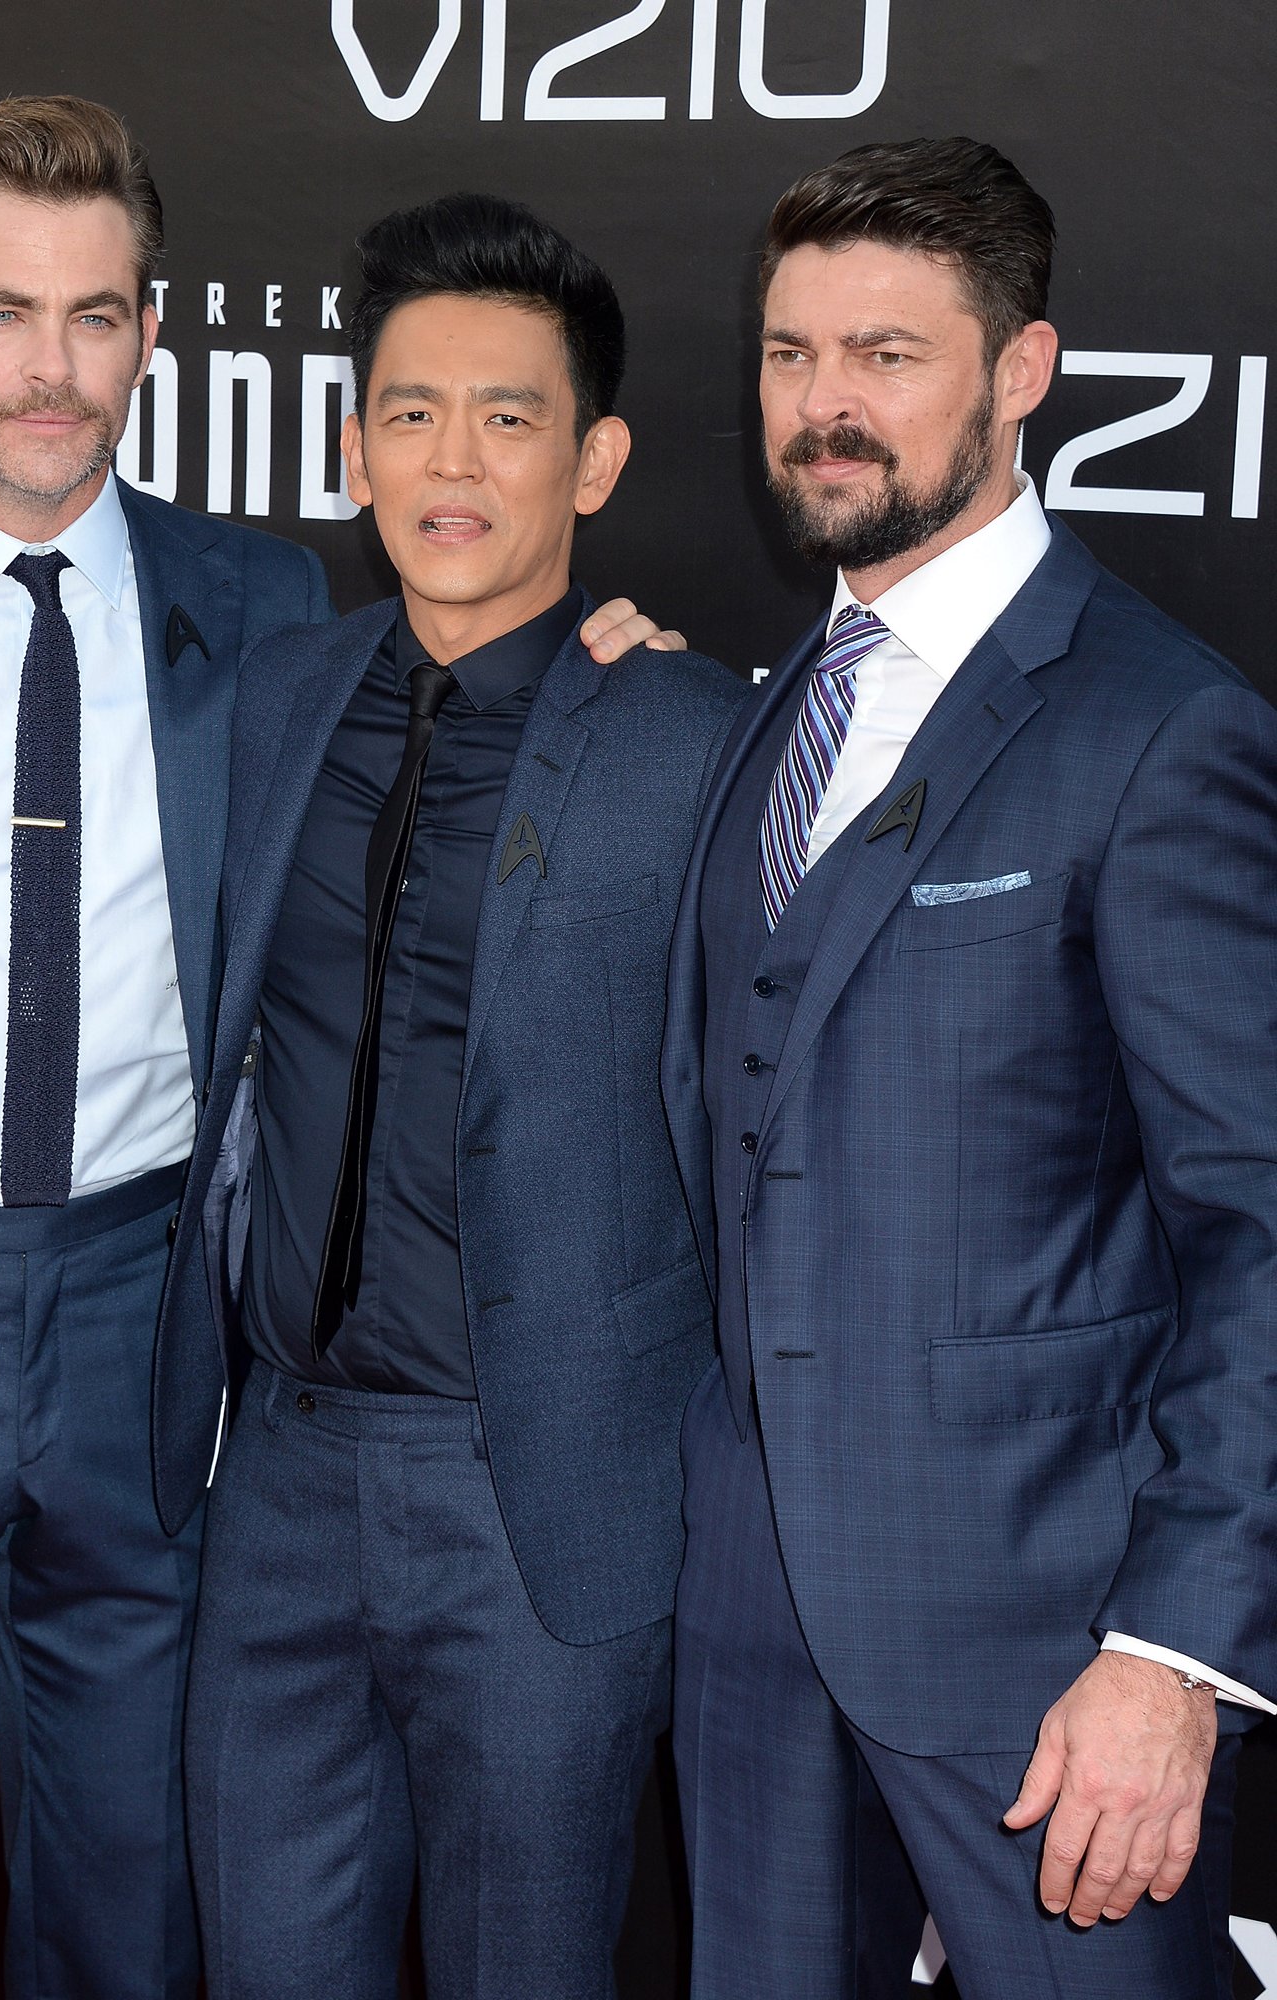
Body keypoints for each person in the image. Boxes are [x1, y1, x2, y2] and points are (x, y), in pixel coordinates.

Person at [0, 96, 667, 2000]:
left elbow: (472, 687)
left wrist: (608, 676)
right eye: (2, 312)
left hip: (144, 1346)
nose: (51, 369)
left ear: (152, 333)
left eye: (97, 316)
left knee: (132, 1924)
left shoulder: (264, 607)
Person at [663, 136, 1277, 1999]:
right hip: (751, 1639)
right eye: (791, 354)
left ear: (1022, 371)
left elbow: (1259, 1226)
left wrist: (1171, 1657)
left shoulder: (1161, 729)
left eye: (887, 353)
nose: (824, 406)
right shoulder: (774, 707)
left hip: (1052, 1662)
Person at [152, 192, 748, 1999]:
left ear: (596, 461)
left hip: (536, 1502)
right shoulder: (275, 698)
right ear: (355, 453)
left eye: (509, 417)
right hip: (279, 1481)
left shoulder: (703, 743)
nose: (455, 460)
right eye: (412, 413)